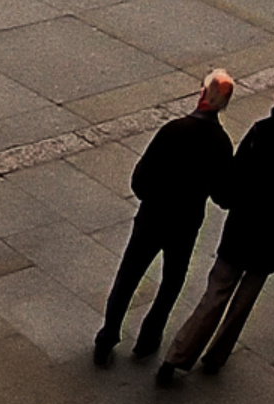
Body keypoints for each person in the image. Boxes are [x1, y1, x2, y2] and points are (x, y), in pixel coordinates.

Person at [159, 70, 274, 383]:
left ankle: (177, 357)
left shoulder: (261, 131)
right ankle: (217, 356)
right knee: (244, 301)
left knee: (216, 292)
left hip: (244, 229)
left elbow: (235, 177)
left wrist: (229, 200)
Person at [96, 72, 234, 365]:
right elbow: (224, 196)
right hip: (186, 223)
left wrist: (151, 199)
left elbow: (140, 178)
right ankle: (149, 335)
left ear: (202, 94)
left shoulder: (174, 130)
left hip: (153, 217)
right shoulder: (222, 143)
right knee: (172, 280)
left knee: (128, 276)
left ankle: (108, 335)